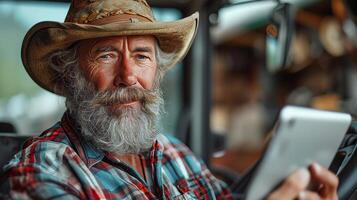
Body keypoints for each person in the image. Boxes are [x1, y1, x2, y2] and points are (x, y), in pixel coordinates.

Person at [0, 0, 338, 199]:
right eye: (106, 56)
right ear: (70, 75)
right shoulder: (41, 171)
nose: (128, 75)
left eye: (143, 56)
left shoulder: (174, 151)